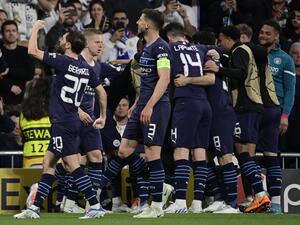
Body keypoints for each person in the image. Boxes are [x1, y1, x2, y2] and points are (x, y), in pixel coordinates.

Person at [14, 20, 105, 219]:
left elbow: (32, 51)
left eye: (64, 38)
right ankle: (34, 208)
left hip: (63, 122)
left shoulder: (63, 61)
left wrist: (37, 28)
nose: (61, 40)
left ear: (68, 45)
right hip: (69, 119)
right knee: (49, 163)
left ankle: (95, 205)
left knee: (72, 165)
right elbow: (100, 91)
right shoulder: (85, 68)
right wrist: (102, 115)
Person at [96, 9, 172, 219]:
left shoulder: (162, 48)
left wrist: (148, 106)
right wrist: (138, 103)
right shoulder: (146, 49)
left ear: (148, 24)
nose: (137, 22)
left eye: (140, 19)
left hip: (156, 107)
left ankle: (156, 205)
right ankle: (161, 186)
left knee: (151, 153)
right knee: (123, 150)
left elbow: (164, 80)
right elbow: (147, 83)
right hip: (142, 106)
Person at [205, 25, 270, 213]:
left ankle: (260, 194)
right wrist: (223, 61)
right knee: (244, 154)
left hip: (245, 106)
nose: (219, 43)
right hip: (252, 106)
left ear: (227, 38)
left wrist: (219, 69)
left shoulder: (240, 50)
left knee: (242, 152)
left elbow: (240, 73)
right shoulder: (238, 52)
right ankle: (257, 196)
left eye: (220, 40)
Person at [161, 22, 215, 214]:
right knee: (199, 153)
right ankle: (197, 203)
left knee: (181, 151)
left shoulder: (168, 48)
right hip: (204, 103)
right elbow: (217, 56)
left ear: (168, 36)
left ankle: (181, 202)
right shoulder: (201, 48)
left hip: (185, 103)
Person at [20, 77, 52, 168]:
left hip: (29, 160)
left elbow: (21, 135)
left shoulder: (23, 113)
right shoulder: (56, 111)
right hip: (53, 159)